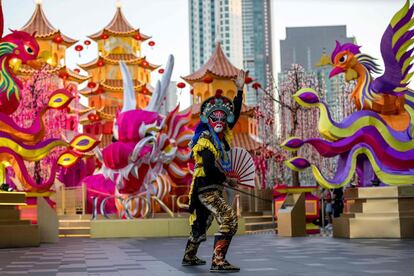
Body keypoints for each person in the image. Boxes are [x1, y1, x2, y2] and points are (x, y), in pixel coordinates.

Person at [181, 70, 247, 273]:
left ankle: (189, 256)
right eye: (214, 116)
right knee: (228, 219)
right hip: (206, 188)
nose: (219, 119)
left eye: (222, 116)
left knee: (203, 222)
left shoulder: (221, 138)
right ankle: (218, 261)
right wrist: (227, 179)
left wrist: (239, 90)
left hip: (211, 188)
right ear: (207, 119)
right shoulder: (205, 140)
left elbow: (234, 116)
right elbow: (209, 168)